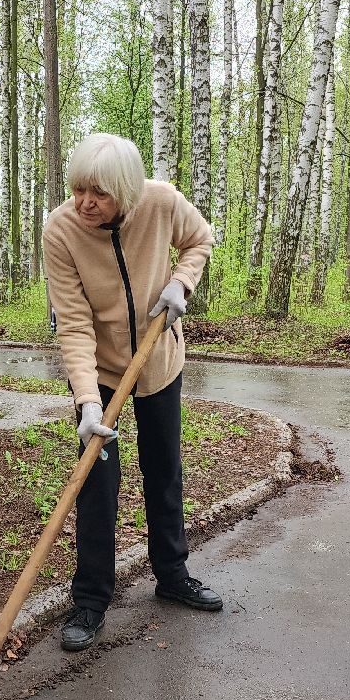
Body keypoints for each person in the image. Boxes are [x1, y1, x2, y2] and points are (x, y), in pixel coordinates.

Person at [42, 132, 221, 652]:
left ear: (127, 191)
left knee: (163, 470)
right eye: (78, 190)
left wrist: (181, 282)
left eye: (98, 194)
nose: (84, 204)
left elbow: (200, 238)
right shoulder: (61, 231)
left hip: (158, 361)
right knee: (96, 486)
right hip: (99, 370)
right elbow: (72, 324)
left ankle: (173, 575)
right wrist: (87, 401)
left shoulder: (161, 202)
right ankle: (91, 601)